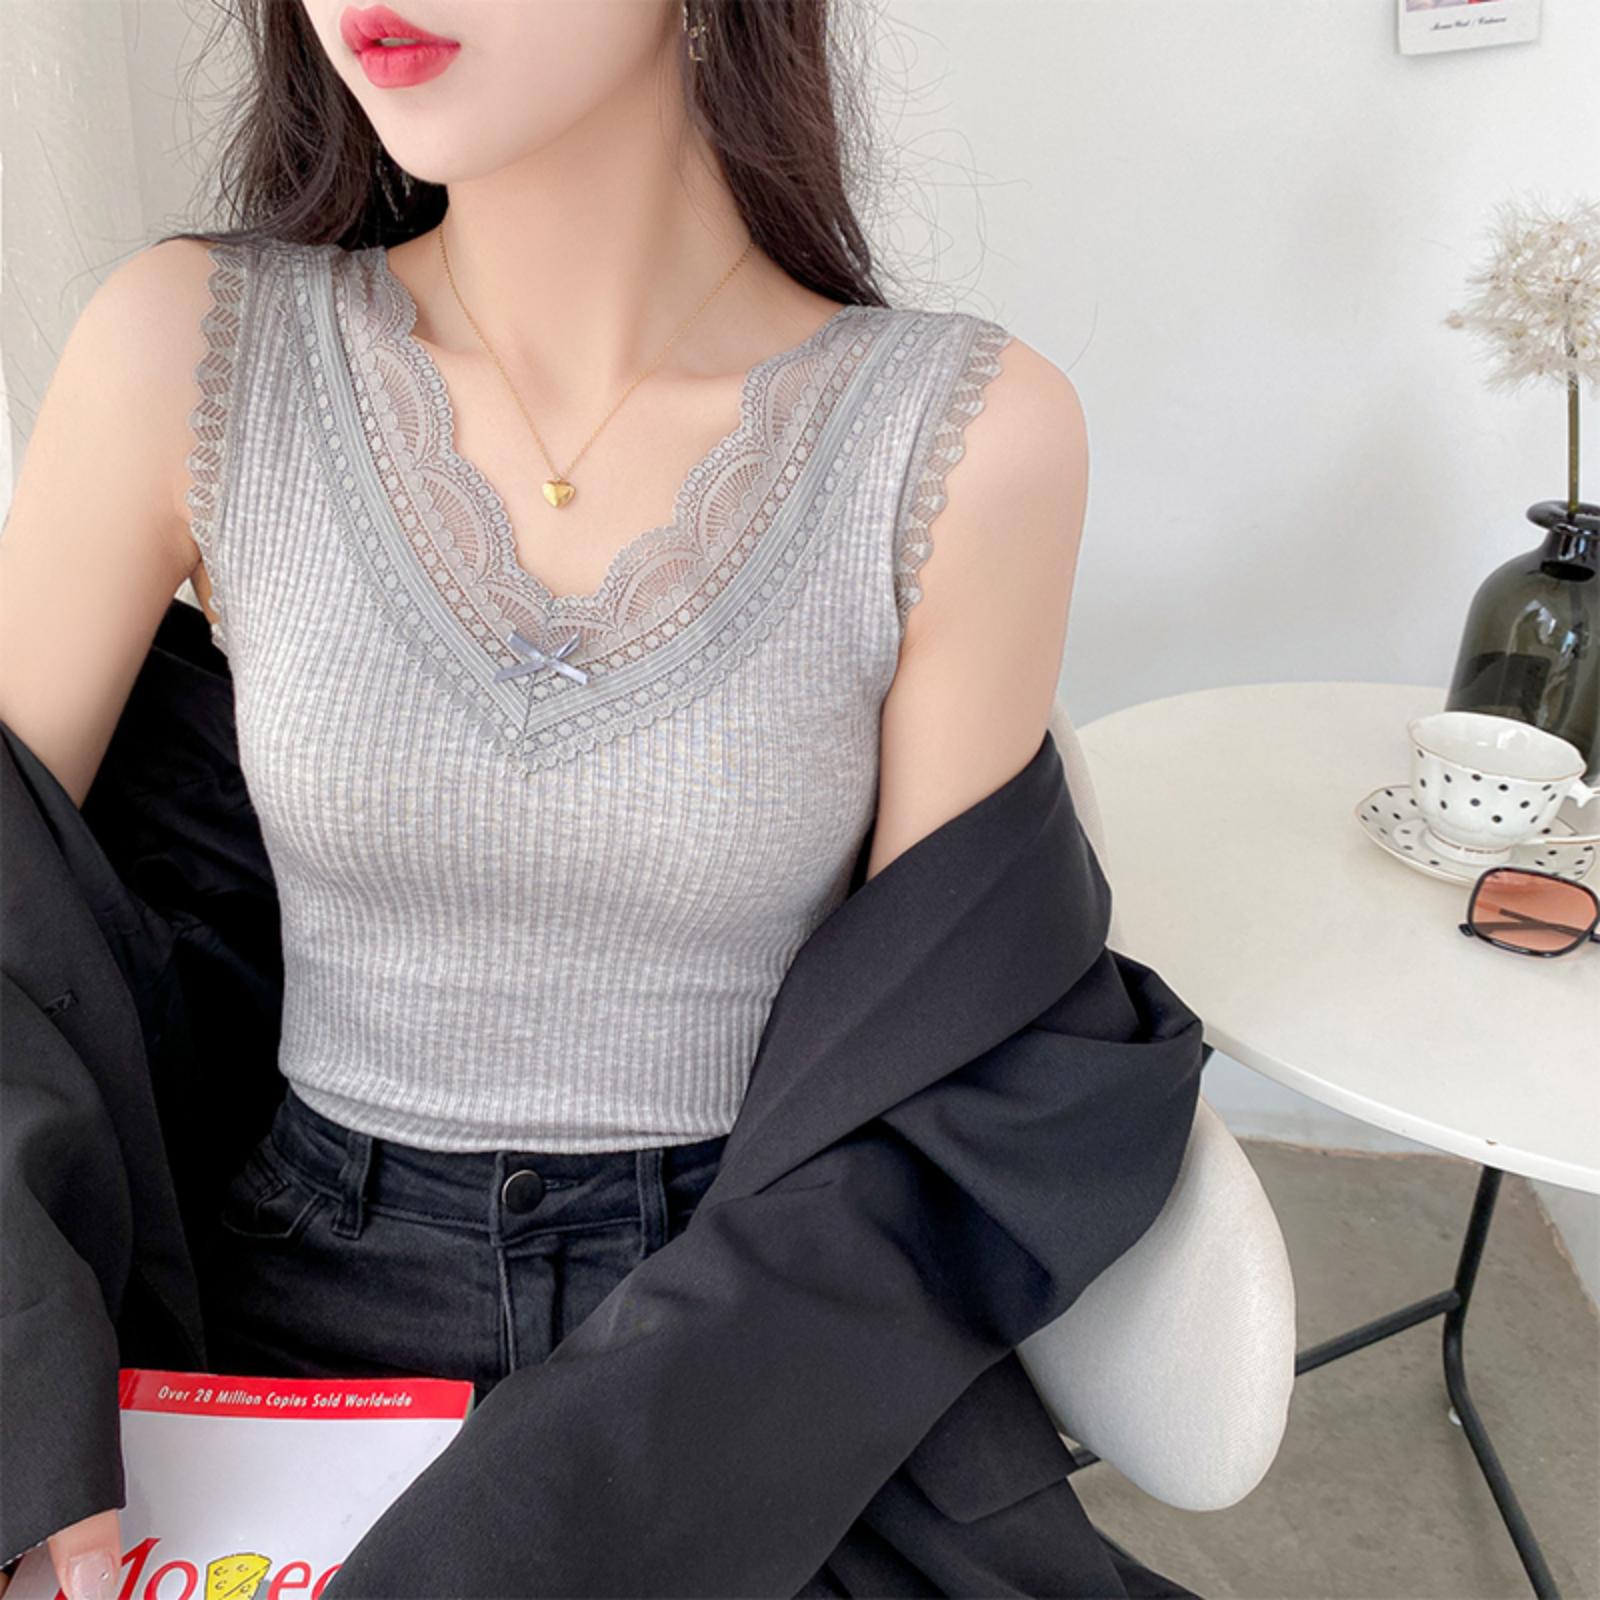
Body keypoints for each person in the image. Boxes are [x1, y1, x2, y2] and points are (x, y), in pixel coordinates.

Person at [0, 3, 1088, 1596]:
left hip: (740, 1342)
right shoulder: (193, 350)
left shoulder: (961, 432)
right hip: (283, 1328)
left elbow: (934, 1060)